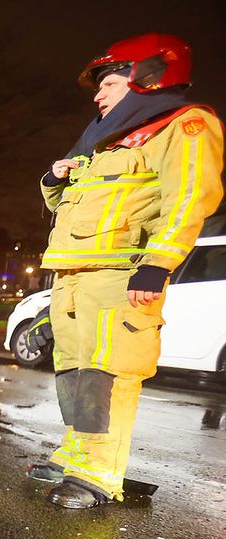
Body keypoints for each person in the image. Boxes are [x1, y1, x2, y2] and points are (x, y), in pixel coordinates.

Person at [29, 33, 223, 509]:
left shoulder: (184, 125)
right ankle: (75, 455)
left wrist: (157, 264)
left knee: (107, 376)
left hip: (120, 272)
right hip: (74, 274)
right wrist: (53, 181)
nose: (98, 94)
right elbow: (76, 204)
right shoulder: (105, 142)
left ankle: (97, 474)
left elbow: (191, 198)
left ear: (149, 77)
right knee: (73, 372)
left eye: (110, 83)